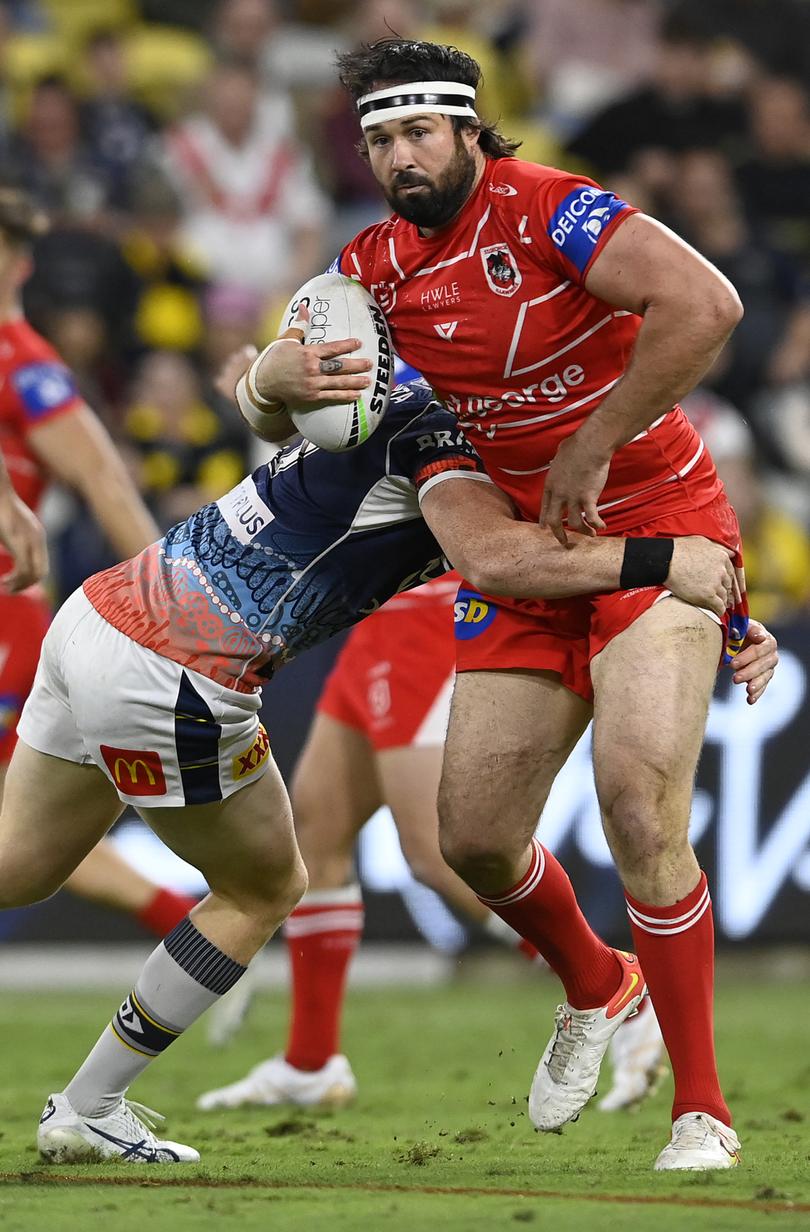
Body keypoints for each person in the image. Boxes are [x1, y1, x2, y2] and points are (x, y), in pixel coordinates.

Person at [1, 358, 754, 1164]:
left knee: (18, 866)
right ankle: (90, 1105)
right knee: (264, 887)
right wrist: (669, 563)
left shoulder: (393, 389)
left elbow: (283, 396)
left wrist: (728, 616)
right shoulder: (443, 433)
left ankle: (335, 1051)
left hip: (94, 618)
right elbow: (496, 557)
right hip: (179, 672)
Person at [243, 37, 767, 1171]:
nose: (399, 155)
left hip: (655, 526)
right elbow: (296, 401)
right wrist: (260, 385)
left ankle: (704, 1108)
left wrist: (593, 437)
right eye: (379, 137)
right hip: (522, 552)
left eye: (418, 131)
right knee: (474, 840)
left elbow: (707, 304)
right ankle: (595, 983)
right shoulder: (370, 262)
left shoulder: (555, 211)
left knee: (638, 807)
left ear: (469, 129)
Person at [0, 186, 196, 938]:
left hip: (8, 619)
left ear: (17, 267)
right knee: (24, 844)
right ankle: (191, 929)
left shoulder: (26, 367)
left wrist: (170, 602)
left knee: (28, 844)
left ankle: (196, 930)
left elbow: (105, 482)